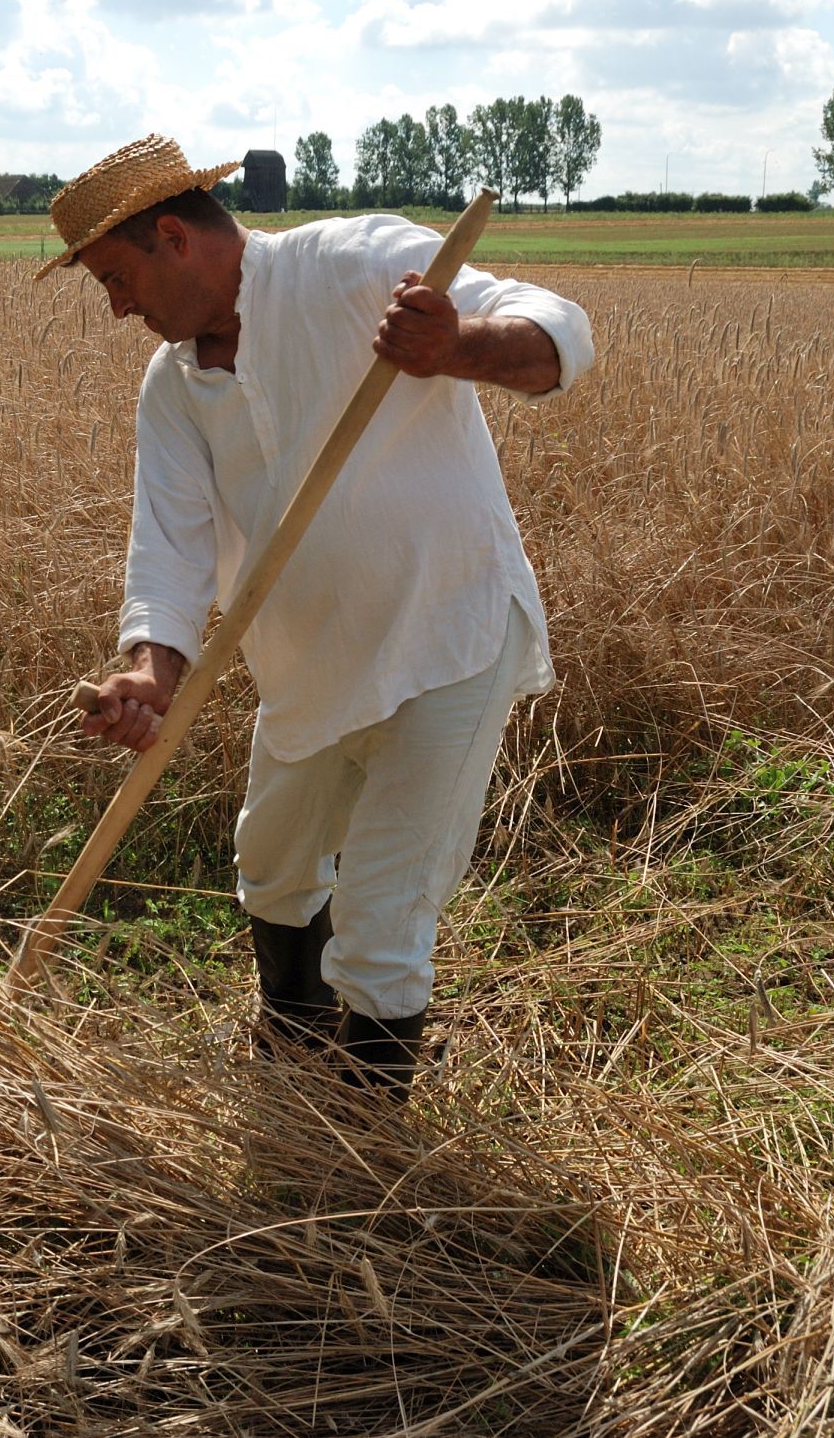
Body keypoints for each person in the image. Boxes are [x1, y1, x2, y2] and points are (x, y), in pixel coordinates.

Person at [40, 135, 595, 1096]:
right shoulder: (174, 386)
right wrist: (147, 671)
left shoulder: (349, 265)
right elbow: (168, 549)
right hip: (306, 667)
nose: (117, 307)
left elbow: (559, 333)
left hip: (446, 637)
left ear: (174, 236)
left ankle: (360, 1149)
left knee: (383, 912)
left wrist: (454, 346)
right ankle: (292, 1061)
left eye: (115, 278)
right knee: (274, 861)